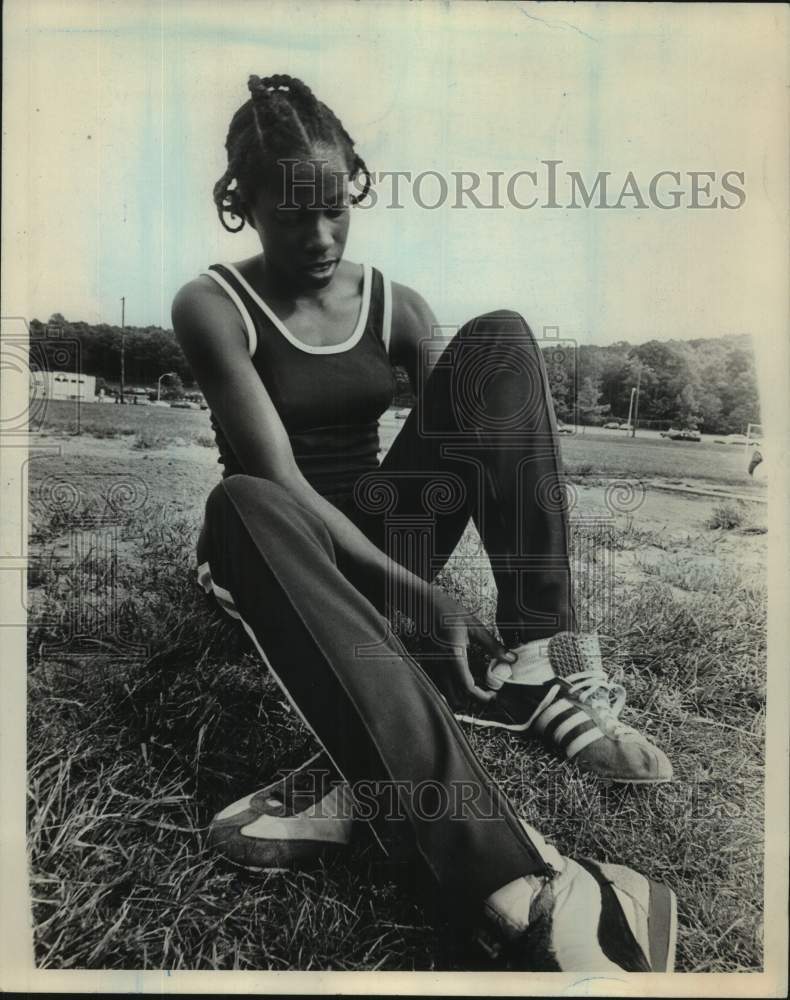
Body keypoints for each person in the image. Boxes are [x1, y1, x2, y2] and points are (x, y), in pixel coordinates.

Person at [172, 73, 676, 972]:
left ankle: (543, 665)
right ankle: (510, 877)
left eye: (335, 208)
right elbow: (279, 478)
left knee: (500, 344)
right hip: (271, 539)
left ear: (354, 187)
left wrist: (426, 579)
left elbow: (478, 426)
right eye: (291, 217)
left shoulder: (393, 304)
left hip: (371, 530)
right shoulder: (210, 303)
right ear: (241, 205)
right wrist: (417, 594)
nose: (320, 237)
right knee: (241, 500)